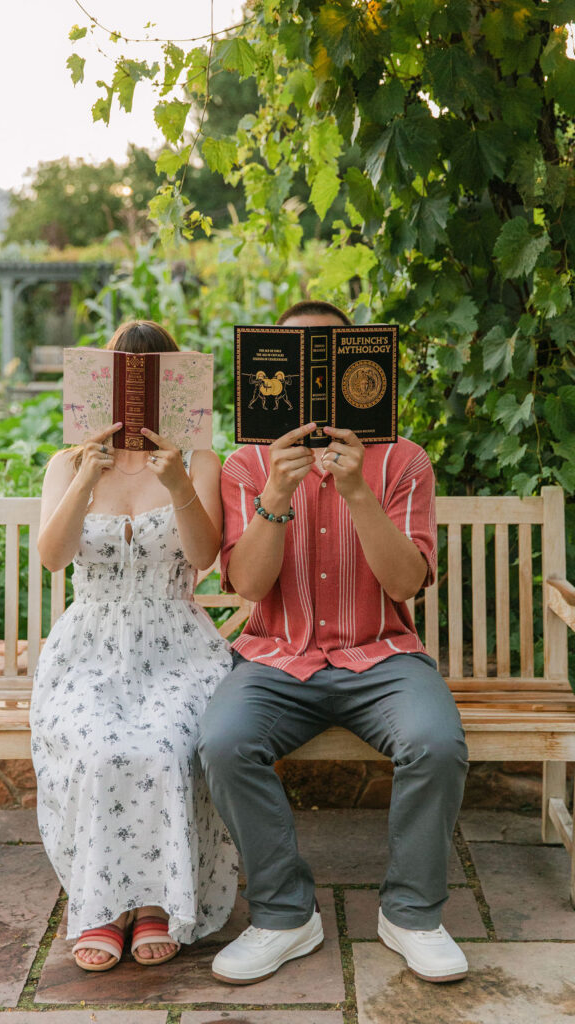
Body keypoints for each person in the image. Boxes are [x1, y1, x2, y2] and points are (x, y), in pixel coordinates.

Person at [198, 300, 469, 985]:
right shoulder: (247, 463)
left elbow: (407, 583)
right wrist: (276, 498)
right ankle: (285, 916)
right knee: (224, 744)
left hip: (382, 655)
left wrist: (357, 492)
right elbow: (251, 588)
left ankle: (411, 914)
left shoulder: (402, 459)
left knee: (436, 744)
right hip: (277, 657)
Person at [31, 320, 238, 973]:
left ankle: (155, 902)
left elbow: (205, 559)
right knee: (96, 746)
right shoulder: (66, 462)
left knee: (162, 745)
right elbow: (53, 559)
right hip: (88, 646)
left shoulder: (199, 462)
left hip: (176, 641)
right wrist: (85, 481)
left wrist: (177, 483)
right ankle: (103, 904)